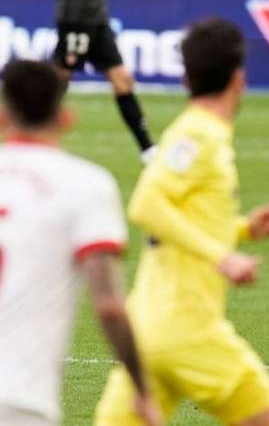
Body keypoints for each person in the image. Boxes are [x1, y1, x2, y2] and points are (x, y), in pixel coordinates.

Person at [95, 18, 269, 425]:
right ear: (239, 79)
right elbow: (146, 205)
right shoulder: (199, 136)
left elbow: (174, 218)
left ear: (185, 78)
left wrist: (242, 230)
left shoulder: (195, 133)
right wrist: (224, 256)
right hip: (188, 330)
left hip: (145, 330)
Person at [0, 60, 160, 426]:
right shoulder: (86, 185)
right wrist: (142, 389)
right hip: (19, 401)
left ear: (3, 115)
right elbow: (109, 306)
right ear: (66, 116)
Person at [53, 0, 155, 162]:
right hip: (76, 15)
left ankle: (148, 150)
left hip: (97, 16)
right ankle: (35, 138)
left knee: (122, 80)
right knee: (58, 82)